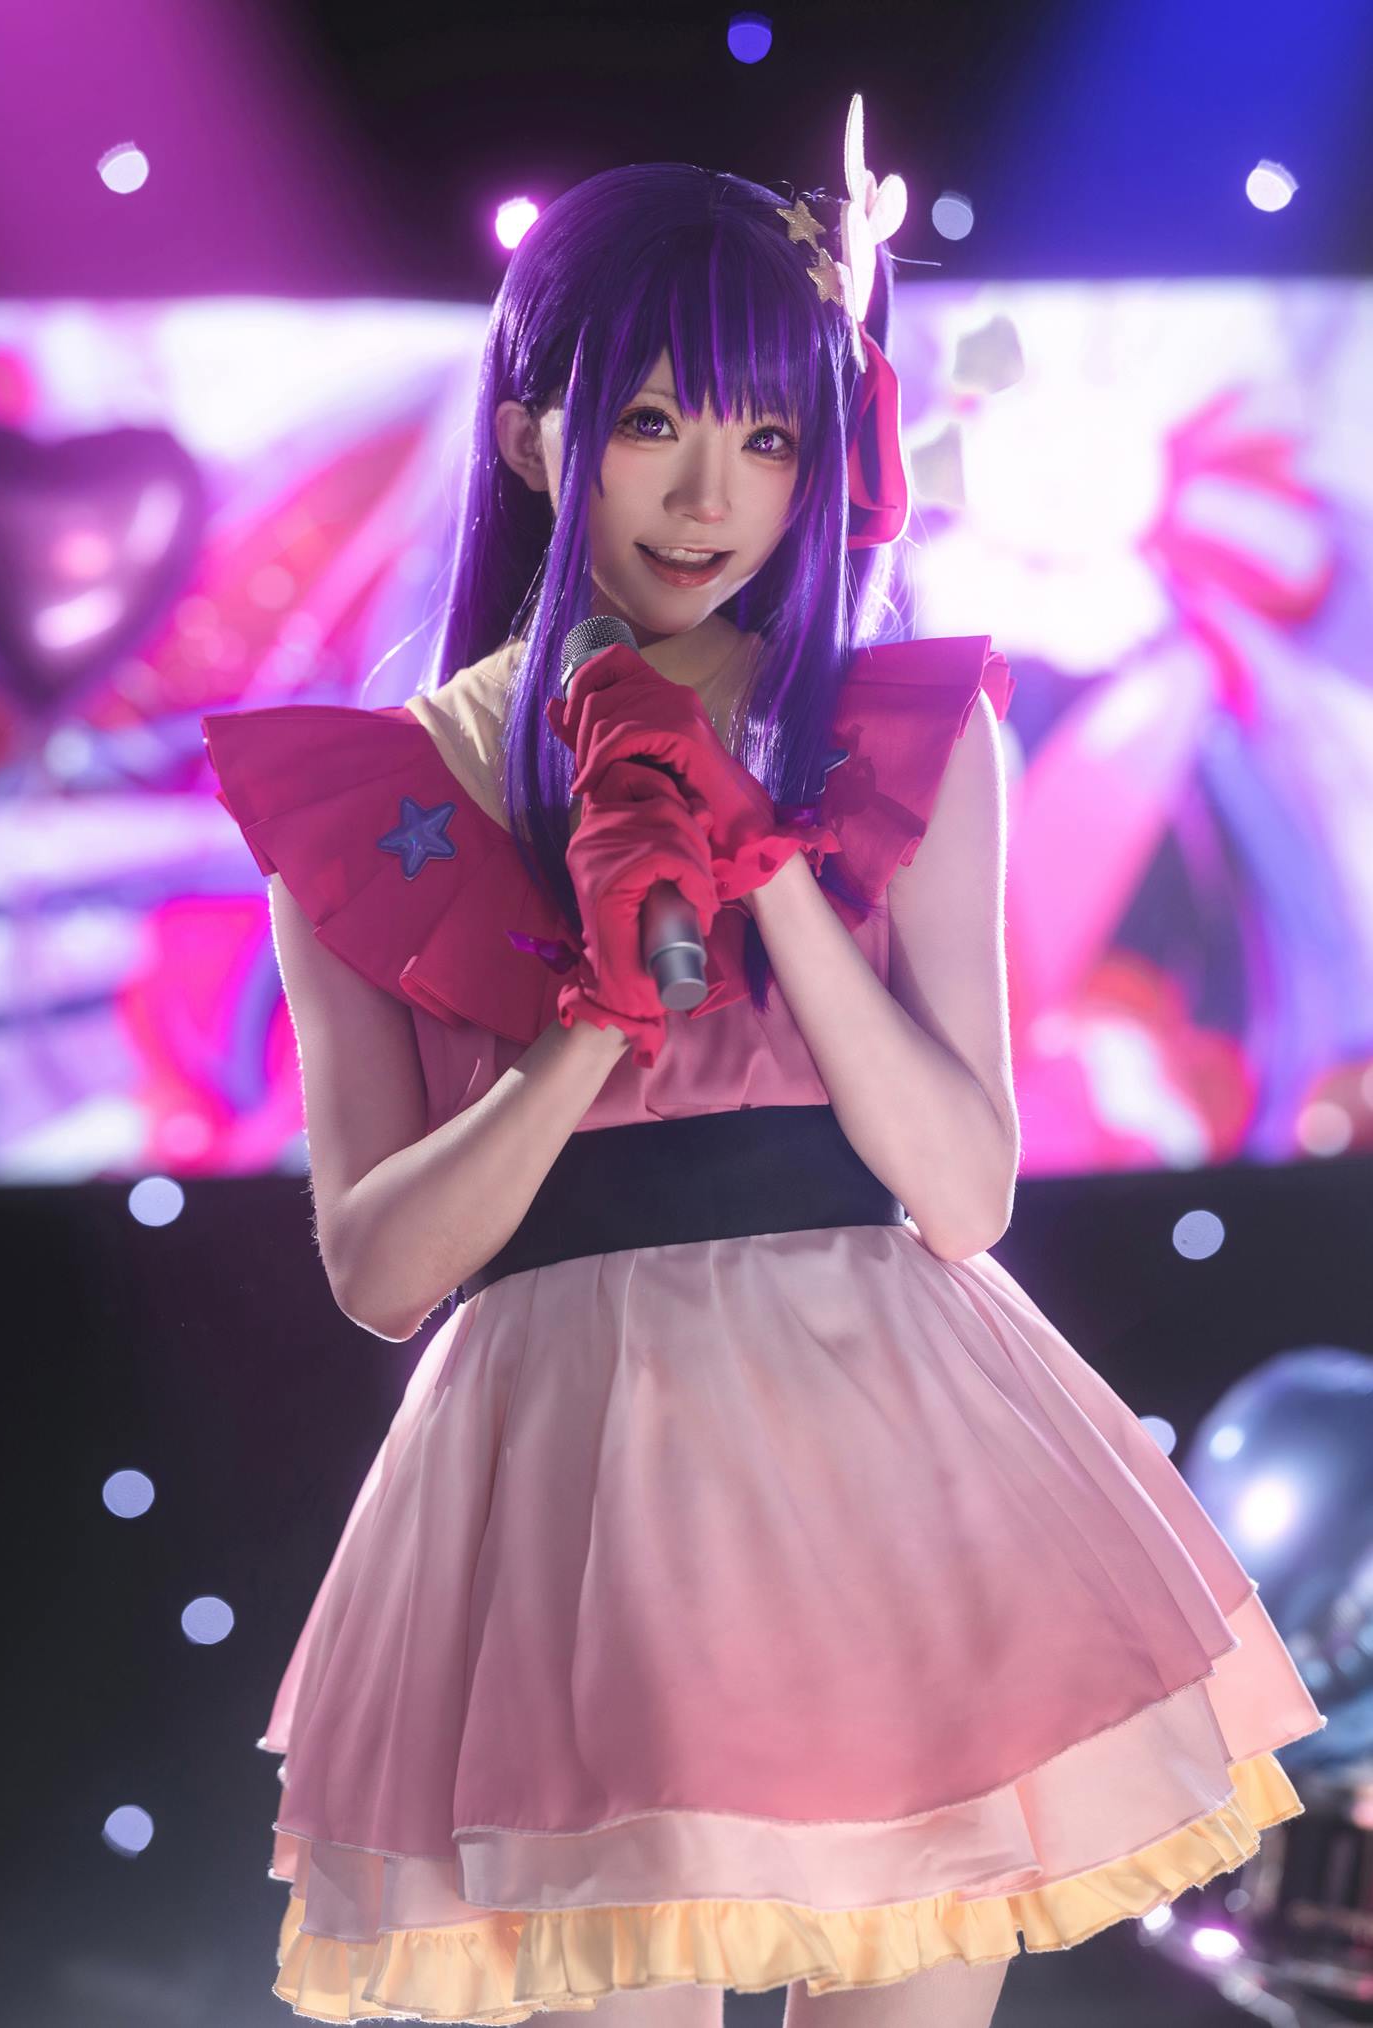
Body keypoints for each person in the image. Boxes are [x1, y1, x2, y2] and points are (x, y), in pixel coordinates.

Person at [201, 96, 1325, 2028]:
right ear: (534, 434)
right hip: (578, 1511)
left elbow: (962, 1191)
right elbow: (381, 1271)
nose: (711, 495)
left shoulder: (909, 735)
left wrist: (760, 853)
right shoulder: (378, 800)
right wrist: (588, 1014)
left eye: (771, 435)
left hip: (902, 1466)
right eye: (652, 422)